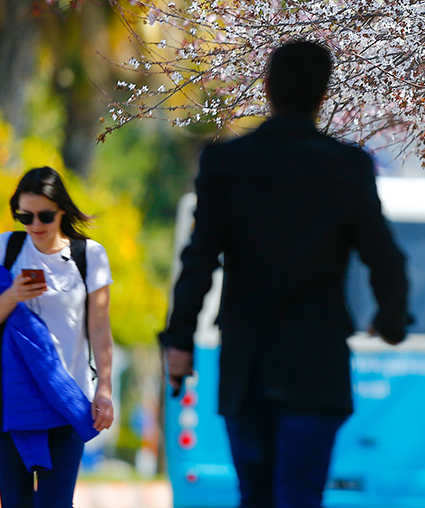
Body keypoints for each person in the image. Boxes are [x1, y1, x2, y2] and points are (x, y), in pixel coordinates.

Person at [161, 40, 410, 508]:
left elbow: (199, 259)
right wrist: (391, 319)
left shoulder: (226, 163)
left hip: (248, 363)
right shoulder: (348, 167)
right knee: (300, 495)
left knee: (254, 495)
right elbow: (386, 257)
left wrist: (179, 341)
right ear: (323, 94)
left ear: (268, 87)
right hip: (316, 365)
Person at [0, 166, 115, 508]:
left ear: (62, 210)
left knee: (55, 503)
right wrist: (14, 294)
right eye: (25, 216)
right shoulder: (6, 247)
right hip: (11, 398)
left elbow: (99, 327)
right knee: (15, 502)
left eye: (45, 216)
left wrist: (105, 389)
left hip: (67, 396)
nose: (35, 225)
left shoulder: (89, 255)